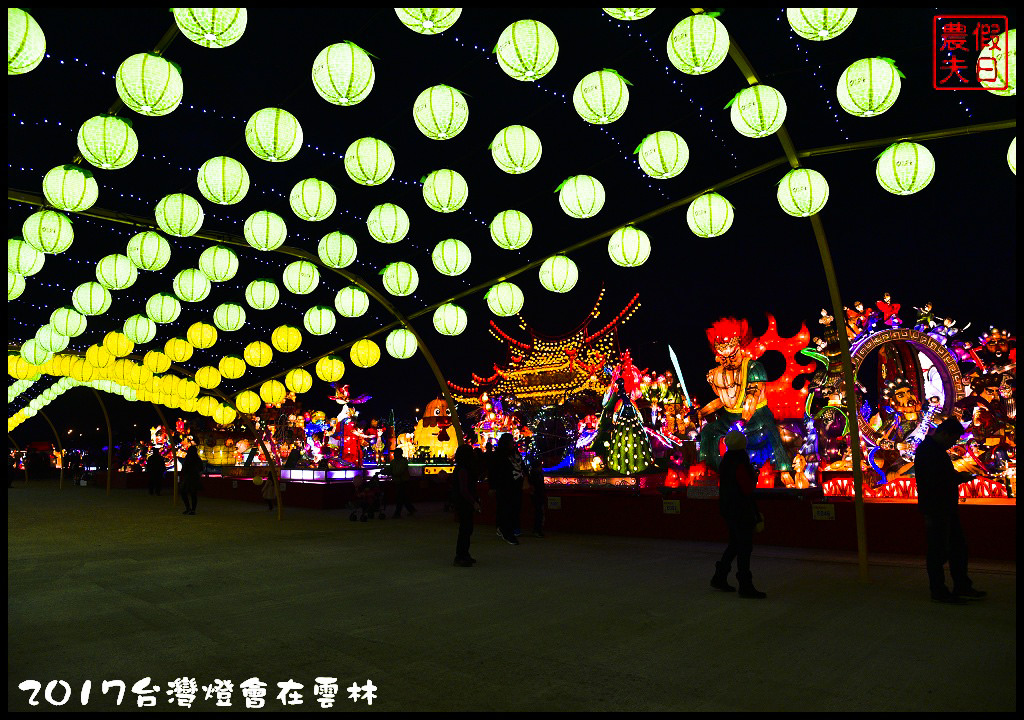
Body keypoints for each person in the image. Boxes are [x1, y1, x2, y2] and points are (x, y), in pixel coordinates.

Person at [914, 417, 987, 604]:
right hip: (936, 507)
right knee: (939, 550)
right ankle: (939, 590)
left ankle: (960, 585)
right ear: (944, 434)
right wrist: (959, 478)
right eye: (953, 440)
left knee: (957, 548)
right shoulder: (929, 451)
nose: (953, 444)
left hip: (944, 506)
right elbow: (936, 480)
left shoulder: (933, 450)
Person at [711, 431, 766, 599]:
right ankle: (745, 584)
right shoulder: (741, 462)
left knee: (735, 543)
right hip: (742, 509)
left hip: (729, 508)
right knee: (744, 546)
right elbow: (747, 488)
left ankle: (720, 576)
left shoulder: (726, 461)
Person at [489, 433, 525, 545]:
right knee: (506, 508)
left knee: (513, 508)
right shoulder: (499, 455)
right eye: (511, 441)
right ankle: (506, 532)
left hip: (516, 485)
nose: (513, 443)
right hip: (504, 486)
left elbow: (522, 466)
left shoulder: (515, 453)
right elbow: (493, 472)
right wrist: (493, 487)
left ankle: (506, 528)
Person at [452, 445, 482, 567]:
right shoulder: (463, 469)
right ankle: (461, 555)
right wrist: (473, 502)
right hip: (464, 503)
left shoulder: (462, 468)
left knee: (467, 529)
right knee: (465, 529)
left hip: (462, 502)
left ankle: (464, 554)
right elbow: (464, 489)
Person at [387, 448, 415, 518]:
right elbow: (390, 468)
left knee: (400, 497)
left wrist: (391, 473)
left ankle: (398, 513)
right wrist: (384, 471)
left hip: (403, 481)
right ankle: (411, 509)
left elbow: (400, 471)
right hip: (397, 481)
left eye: (396, 453)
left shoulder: (403, 461)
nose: (394, 455)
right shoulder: (393, 461)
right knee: (403, 497)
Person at [179, 446, 204, 516]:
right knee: (193, 494)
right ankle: (192, 509)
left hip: (188, 478)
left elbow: (184, 469)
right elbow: (201, 469)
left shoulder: (188, 459)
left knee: (184, 492)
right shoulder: (198, 459)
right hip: (195, 478)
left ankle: (188, 508)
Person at [526, 455, 546, 538]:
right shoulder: (536, 475)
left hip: (537, 495)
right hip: (538, 495)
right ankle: (537, 530)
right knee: (539, 513)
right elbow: (538, 486)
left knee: (539, 513)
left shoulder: (535, 474)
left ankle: (537, 529)